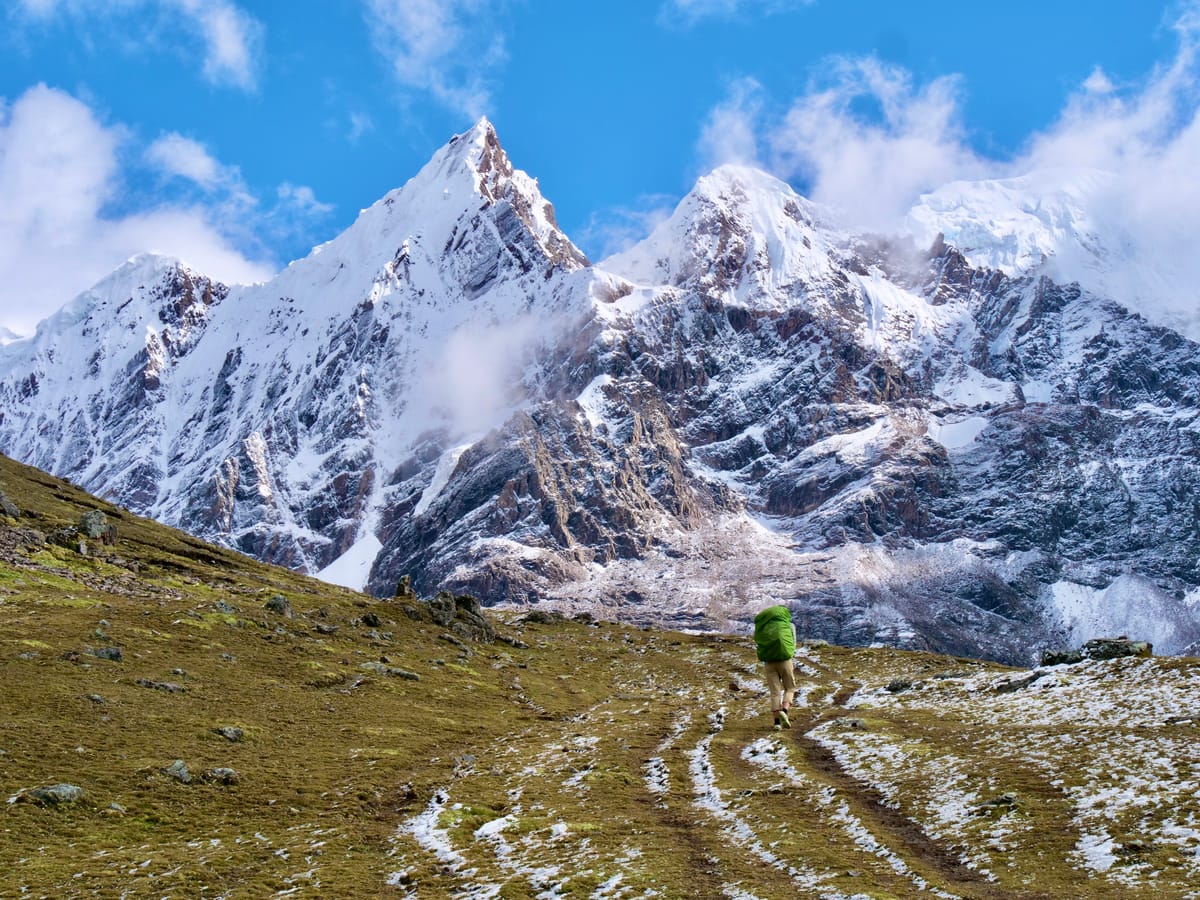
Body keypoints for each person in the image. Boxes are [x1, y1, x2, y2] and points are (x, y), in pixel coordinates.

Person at [753, 605, 797, 731]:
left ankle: (777, 723)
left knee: (775, 692)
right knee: (790, 688)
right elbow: (793, 642)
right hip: (785, 661)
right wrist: (790, 653)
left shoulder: (762, 627)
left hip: (769, 662)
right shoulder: (789, 625)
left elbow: (757, 640)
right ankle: (785, 711)